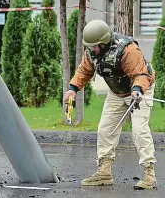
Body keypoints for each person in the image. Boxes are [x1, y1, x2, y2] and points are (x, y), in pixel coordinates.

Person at [64, 19, 157, 190]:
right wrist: (73, 89)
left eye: (95, 45)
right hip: (116, 93)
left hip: (139, 91)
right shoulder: (91, 52)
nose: (92, 49)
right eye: (90, 46)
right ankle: (104, 172)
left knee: (139, 130)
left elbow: (141, 74)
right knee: (105, 129)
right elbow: (84, 71)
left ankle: (149, 174)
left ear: (104, 42)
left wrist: (137, 89)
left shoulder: (128, 50)